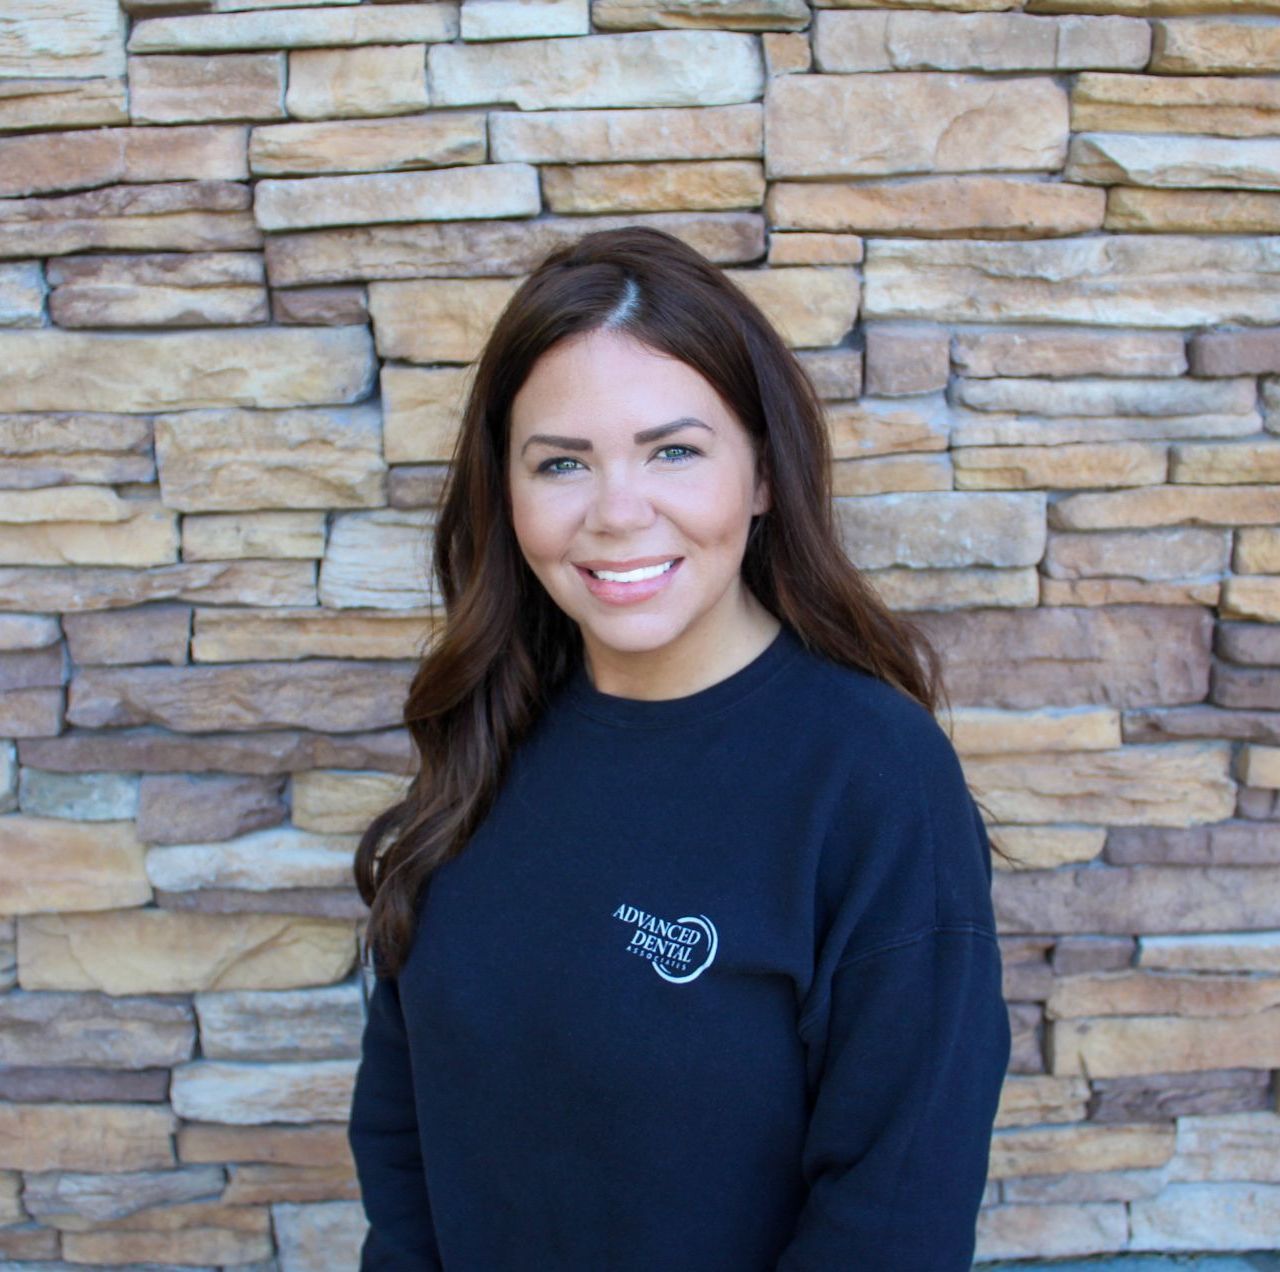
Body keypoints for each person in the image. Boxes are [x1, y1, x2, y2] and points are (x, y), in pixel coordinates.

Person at [347, 225, 1013, 1271]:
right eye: (562, 462)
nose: (617, 513)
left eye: (672, 451)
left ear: (757, 474)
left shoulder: (870, 777)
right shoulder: (488, 731)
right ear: (507, 492)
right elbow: (403, 1128)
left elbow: (891, 1217)